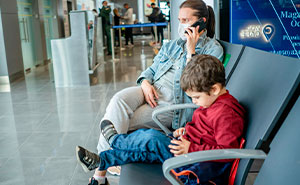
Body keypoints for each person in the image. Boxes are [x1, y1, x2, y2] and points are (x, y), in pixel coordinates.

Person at [89, 0, 224, 184]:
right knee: (119, 100)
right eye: (179, 19)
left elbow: (196, 85)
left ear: (201, 22)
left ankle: (99, 173)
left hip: (171, 104)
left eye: (186, 20)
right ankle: (105, 164)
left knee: (121, 121)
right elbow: (151, 71)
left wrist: (191, 51)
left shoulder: (213, 49)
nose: (181, 24)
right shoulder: (172, 45)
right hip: (151, 91)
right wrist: (145, 82)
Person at [76, 55, 245, 185]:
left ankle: (116, 140)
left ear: (214, 89)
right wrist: (185, 131)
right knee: (144, 152)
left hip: (194, 165)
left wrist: (190, 147)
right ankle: (103, 161)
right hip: (186, 151)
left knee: (152, 139)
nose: (194, 102)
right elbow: (205, 130)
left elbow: (227, 152)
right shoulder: (212, 103)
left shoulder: (226, 114)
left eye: (196, 97)